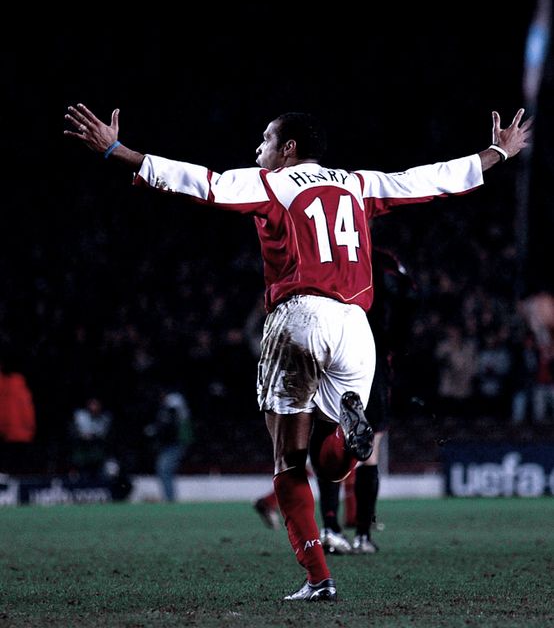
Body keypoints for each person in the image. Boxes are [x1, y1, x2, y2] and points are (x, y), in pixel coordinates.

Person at [65, 102, 531, 602]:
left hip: (300, 315)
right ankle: (349, 435)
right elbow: (424, 179)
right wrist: (496, 153)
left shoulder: (273, 184)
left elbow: (202, 182)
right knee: (332, 464)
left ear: (288, 149)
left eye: (265, 140)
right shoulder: (357, 182)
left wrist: (118, 152)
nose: (257, 148)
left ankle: (318, 577)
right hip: (356, 325)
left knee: (289, 464)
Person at [317, 247, 417, 556]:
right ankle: (362, 535)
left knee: (326, 434)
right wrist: (396, 348)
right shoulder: (385, 260)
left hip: (334, 352)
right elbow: (410, 298)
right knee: (370, 448)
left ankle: (331, 529)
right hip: (372, 356)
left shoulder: (325, 254)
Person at [144, 386, 193, 501]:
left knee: (164, 468)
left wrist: (156, 430)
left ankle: (170, 499)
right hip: (170, 444)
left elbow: (170, 427)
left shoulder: (172, 407)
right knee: (163, 469)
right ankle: (169, 498)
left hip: (175, 444)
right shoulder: (167, 410)